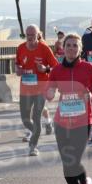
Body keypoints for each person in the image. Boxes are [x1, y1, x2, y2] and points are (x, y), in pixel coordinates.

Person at [45, 33, 92, 184]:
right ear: (63, 48)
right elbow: (49, 90)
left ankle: (85, 182)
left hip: (82, 120)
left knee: (74, 158)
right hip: (62, 120)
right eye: (68, 45)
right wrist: (48, 94)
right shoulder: (57, 70)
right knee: (67, 161)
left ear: (80, 49)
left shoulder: (88, 68)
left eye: (75, 46)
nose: (71, 48)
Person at [15, 25, 58, 156]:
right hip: (25, 88)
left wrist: (45, 69)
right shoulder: (21, 48)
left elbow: (56, 67)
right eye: (28, 35)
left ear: (38, 35)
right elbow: (17, 63)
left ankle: (33, 146)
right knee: (25, 119)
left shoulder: (44, 49)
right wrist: (18, 69)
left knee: (36, 117)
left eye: (33, 35)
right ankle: (37, 131)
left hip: (41, 88)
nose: (30, 38)